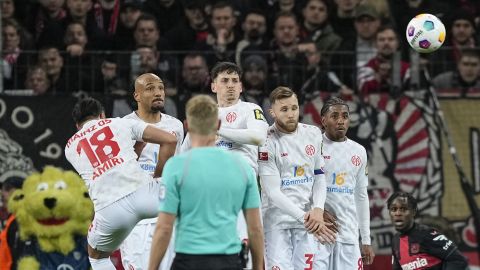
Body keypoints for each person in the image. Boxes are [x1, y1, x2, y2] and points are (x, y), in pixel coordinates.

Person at [148, 95, 264, 270]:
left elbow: (164, 228)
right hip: (229, 262)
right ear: (218, 125)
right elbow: (255, 229)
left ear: (187, 125)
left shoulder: (176, 167)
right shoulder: (243, 168)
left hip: (188, 261)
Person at [64, 97, 177, 270]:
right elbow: (169, 140)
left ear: (77, 126)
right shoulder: (120, 123)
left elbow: (106, 173)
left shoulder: (69, 147)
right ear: (102, 115)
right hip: (145, 195)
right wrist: (157, 178)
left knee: (97, 258)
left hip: (110, 211)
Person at [179, 61, 269, 267]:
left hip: (240, 173)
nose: (230, 85)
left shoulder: (250, 109)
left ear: (241, 87)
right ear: (213, 86)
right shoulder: (204, 115)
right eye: (225, 80)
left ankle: (241, 248)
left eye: (235, 81)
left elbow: (258, 137)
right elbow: (183, 154)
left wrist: (217, 130)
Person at [258, 86, 335, 269]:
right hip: (277, 224)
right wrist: (308, 218)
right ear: (273, 112)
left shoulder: (313, 133)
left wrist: (318, 208)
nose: (291, 114)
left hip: (307, 224)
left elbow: (319, 176)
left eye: (294, 108)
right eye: (284, 109)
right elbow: (273, 192)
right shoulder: (266, 141)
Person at [119, 73, 184, 270]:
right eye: (150, 88)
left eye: (161, 88)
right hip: (135, 213)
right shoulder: (122, 126)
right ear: (136, 96)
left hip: (165, 210)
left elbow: (177, 167)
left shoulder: (176, 126)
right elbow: (119, 171)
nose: (158, 93)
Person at [315, 97, 375, 270]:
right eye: (334, 116)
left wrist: (366, 239)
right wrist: (316, 210)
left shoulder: (358, 151)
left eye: (345, 116)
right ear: (323, 120)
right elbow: (302, 188)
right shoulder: (313, 145)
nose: (340, 120)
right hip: (319, 234)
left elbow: (361, 196)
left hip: (348, 234)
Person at [388, 191, 469, 270]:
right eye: (393, 209)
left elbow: (458, 260)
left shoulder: (427, 235)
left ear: (413, 211)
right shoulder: (395, 241)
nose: (397, 213)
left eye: (403, 209)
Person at [0, 176, 25, 270]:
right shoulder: (12, 220)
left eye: (8, 189)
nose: (2, 194)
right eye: (3, 189)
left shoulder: (24, 221)